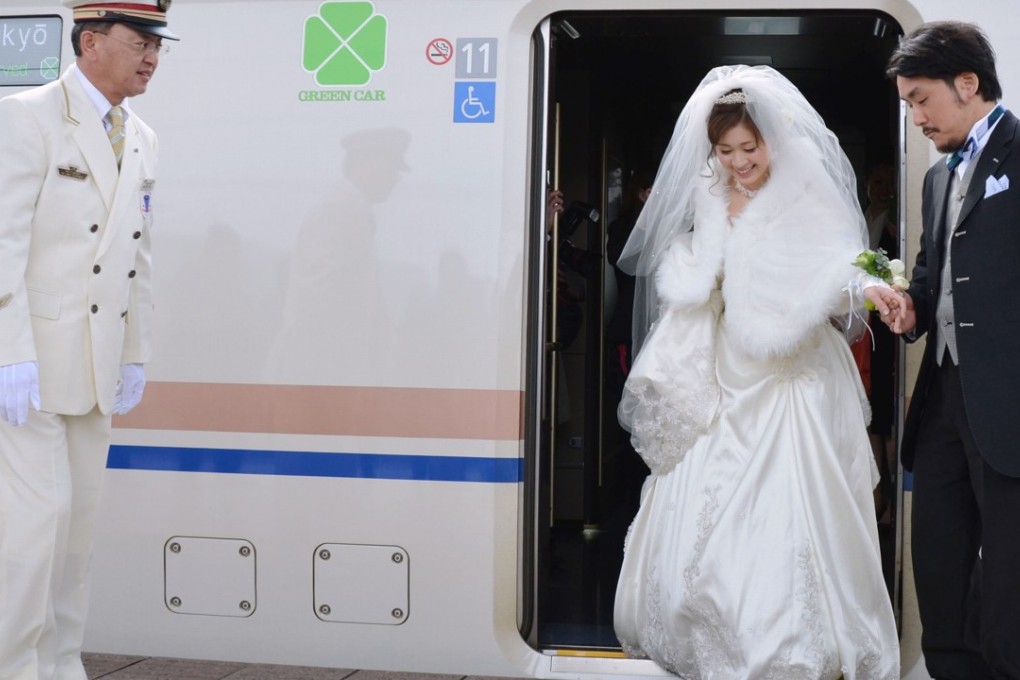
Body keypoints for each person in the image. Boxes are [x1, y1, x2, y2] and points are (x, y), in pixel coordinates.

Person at [612, 65, 900, 679]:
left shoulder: (804, 192)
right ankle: (711, 634)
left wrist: (869, 287)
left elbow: (837, 265)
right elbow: (694, 271)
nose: (739, 162)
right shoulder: (708, 195)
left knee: (791, 510)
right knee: (706, 501)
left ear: (773, 138)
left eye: (750, 148)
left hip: (789, 373)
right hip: (723, 370)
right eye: (726, 151)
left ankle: (787, 644)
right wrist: (697, 274)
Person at [0, 2, 177, 678]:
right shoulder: (28, 117)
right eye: (140, 42)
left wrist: (135, 354)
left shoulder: (142, 137)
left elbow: (141, 257)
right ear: (91, 40)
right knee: (32, 530)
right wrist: (7, 353)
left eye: (160, 46)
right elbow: (4, 240)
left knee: (75, 536)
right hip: (30, 366)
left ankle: (60, 663)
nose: (152, 58)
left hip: (95, 363)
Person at [882, 21, 1020, 679]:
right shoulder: (938, 180)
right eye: (908, 103)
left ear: (968, 84)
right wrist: (908, 307)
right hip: (939, 404)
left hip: (1009, 407)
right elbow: (933, 275)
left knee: (1009, 591)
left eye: (920, 99)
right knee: (938, 565)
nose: (914, 117)